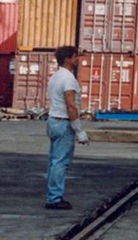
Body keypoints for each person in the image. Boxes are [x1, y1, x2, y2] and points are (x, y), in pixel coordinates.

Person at [45, 46, 88, 210]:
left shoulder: (55, 77)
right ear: (68, 59)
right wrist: (79, 130)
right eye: (75, 56)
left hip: (53, 121)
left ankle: (52, 195)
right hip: (63, 123)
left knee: (53, 162)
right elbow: (71, 106)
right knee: (60, 163)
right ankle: (54, 198)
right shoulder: (68, 79)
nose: (78, 59)